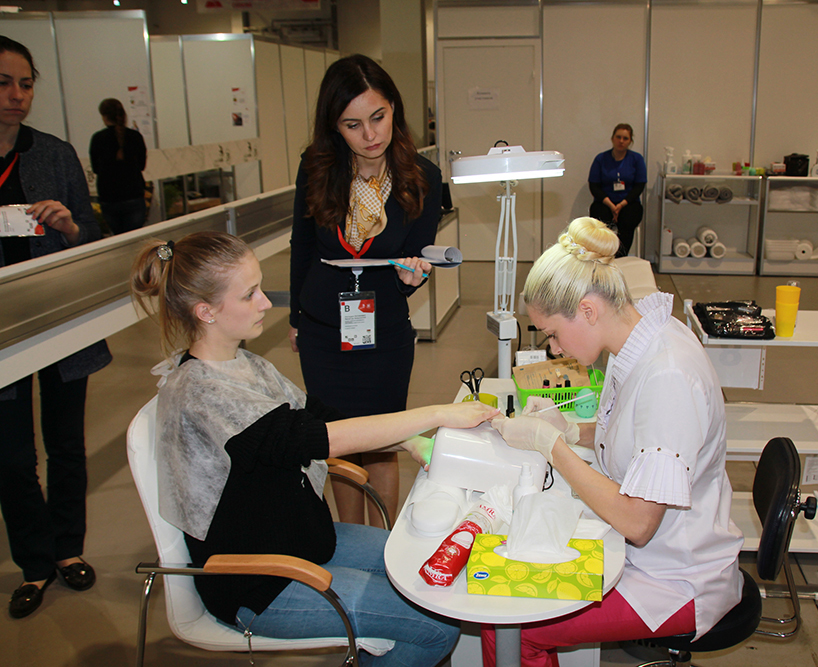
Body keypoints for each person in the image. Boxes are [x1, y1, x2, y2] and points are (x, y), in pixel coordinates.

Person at [130, 231, 498, 667]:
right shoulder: (203, 395)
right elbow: (323, 439)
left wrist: (410, 441)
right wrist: (436, 414)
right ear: (206, 311)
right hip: (259, 582)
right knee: (437, 626)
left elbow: (321, 417)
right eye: (249, 295)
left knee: (427, 563)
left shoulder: (242, 365)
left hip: (303, 540)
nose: (265, 303)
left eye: (260, 288)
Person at [485, 217, 743, 666]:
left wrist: (553, 447)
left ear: (588, 310)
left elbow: (639, 522)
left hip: (673, 577)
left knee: (514, 628)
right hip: (645, 551)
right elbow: (631, 433)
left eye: (552, 333)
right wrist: (571, 430)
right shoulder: (641, 340)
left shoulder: (668, 376)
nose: (553, 348)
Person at [289, 54, 441, 528]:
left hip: (385, 332)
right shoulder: (317, 167)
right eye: (353, 125)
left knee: (381, 442)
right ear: (335, 126)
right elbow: (302, 245)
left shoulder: (422, 177)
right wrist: (295, 319)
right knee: (337, 440)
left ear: (394, 107)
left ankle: (381, 548)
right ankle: (351, 542)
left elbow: (417, 257)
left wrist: (413, 276)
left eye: (378, 117)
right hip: (323, 331)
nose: (370, 135)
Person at [0, 36, 111, 619]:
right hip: (3, 332)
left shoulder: (55, 153)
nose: (16, 95)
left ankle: (68, 548)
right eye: (3, 83)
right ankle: (35, 563)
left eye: (25, 84)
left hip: (59, 322)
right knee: (12, 456)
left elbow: (92, 238)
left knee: (67, 444)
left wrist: (69, 227)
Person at [89, 97, 147, 235]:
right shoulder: (135, 136)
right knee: (134, 238)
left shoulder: (98, 138)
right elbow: (142, 165)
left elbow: (96, 168)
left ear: (104, 117)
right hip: (134, 194)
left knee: (118, 237)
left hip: (109, 197)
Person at [587, 123, 647, 257]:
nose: (621, 141)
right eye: (618, 137)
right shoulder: (601, 159)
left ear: (630, 141)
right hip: (605, 202)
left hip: (628, 203)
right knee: (599, 220)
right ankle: (602, 255)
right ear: (612, 138)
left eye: (625, 138)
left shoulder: (637, 159)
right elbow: (594, 186)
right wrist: (611, 205)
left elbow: (639, 186)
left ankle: (620, 257)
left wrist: (620, 205)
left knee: (629, 220)